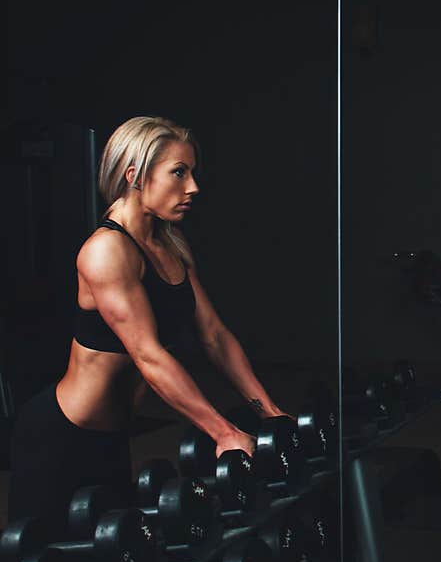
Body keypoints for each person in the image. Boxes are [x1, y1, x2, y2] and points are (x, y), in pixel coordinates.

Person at [8, 116, 287, 538]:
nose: (193, 187)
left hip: (114, 440)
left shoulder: (169, 245)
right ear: (135, 174)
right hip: (60, 439)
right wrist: (224, 433)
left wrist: (269, 415)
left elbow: (214, 336)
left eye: (192, 172)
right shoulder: (106, 251)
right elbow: (148, 354)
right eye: (179, 172)